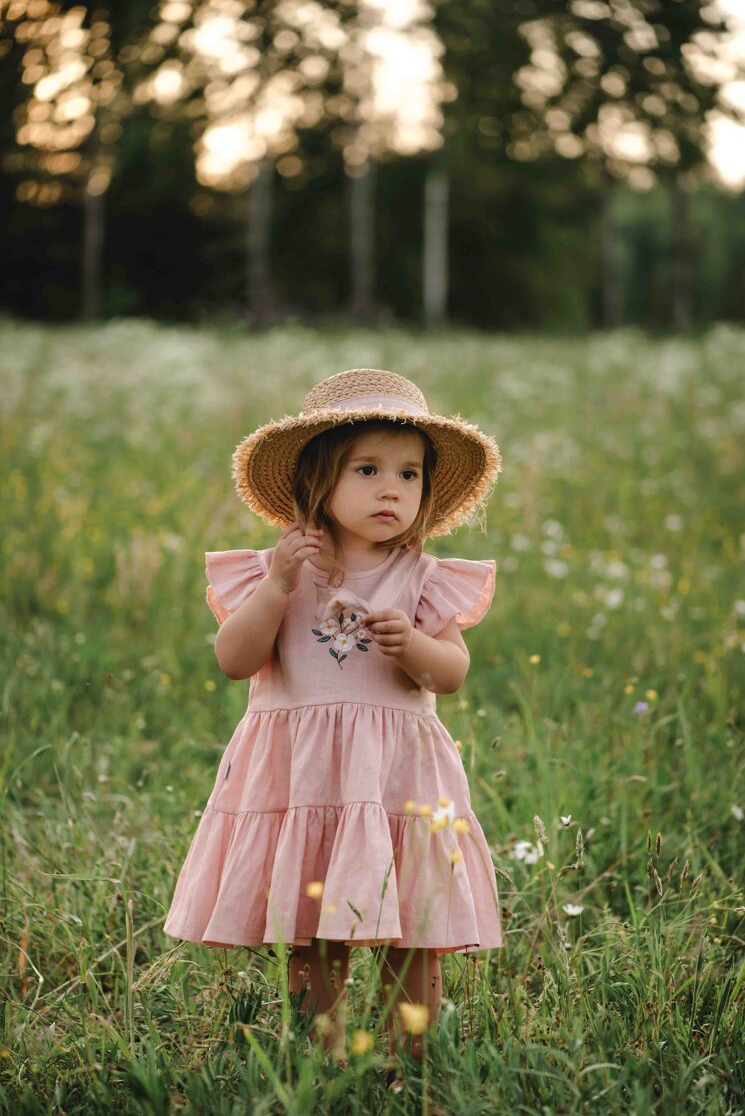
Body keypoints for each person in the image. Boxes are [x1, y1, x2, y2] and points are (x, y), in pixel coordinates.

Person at [162, 367, 505, 1089]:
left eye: (409, 474)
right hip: (306, 781)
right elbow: (234, 660)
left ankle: (407, 1060)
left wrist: (410, 645)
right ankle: (311, 1054)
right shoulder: (278, 571)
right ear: (317, 480)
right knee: (311, 928)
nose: (392, 489)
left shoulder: (421, 578)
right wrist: (278, 586)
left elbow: (449, 673)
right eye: (369, 469)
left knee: (413, 928)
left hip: (395, 784)